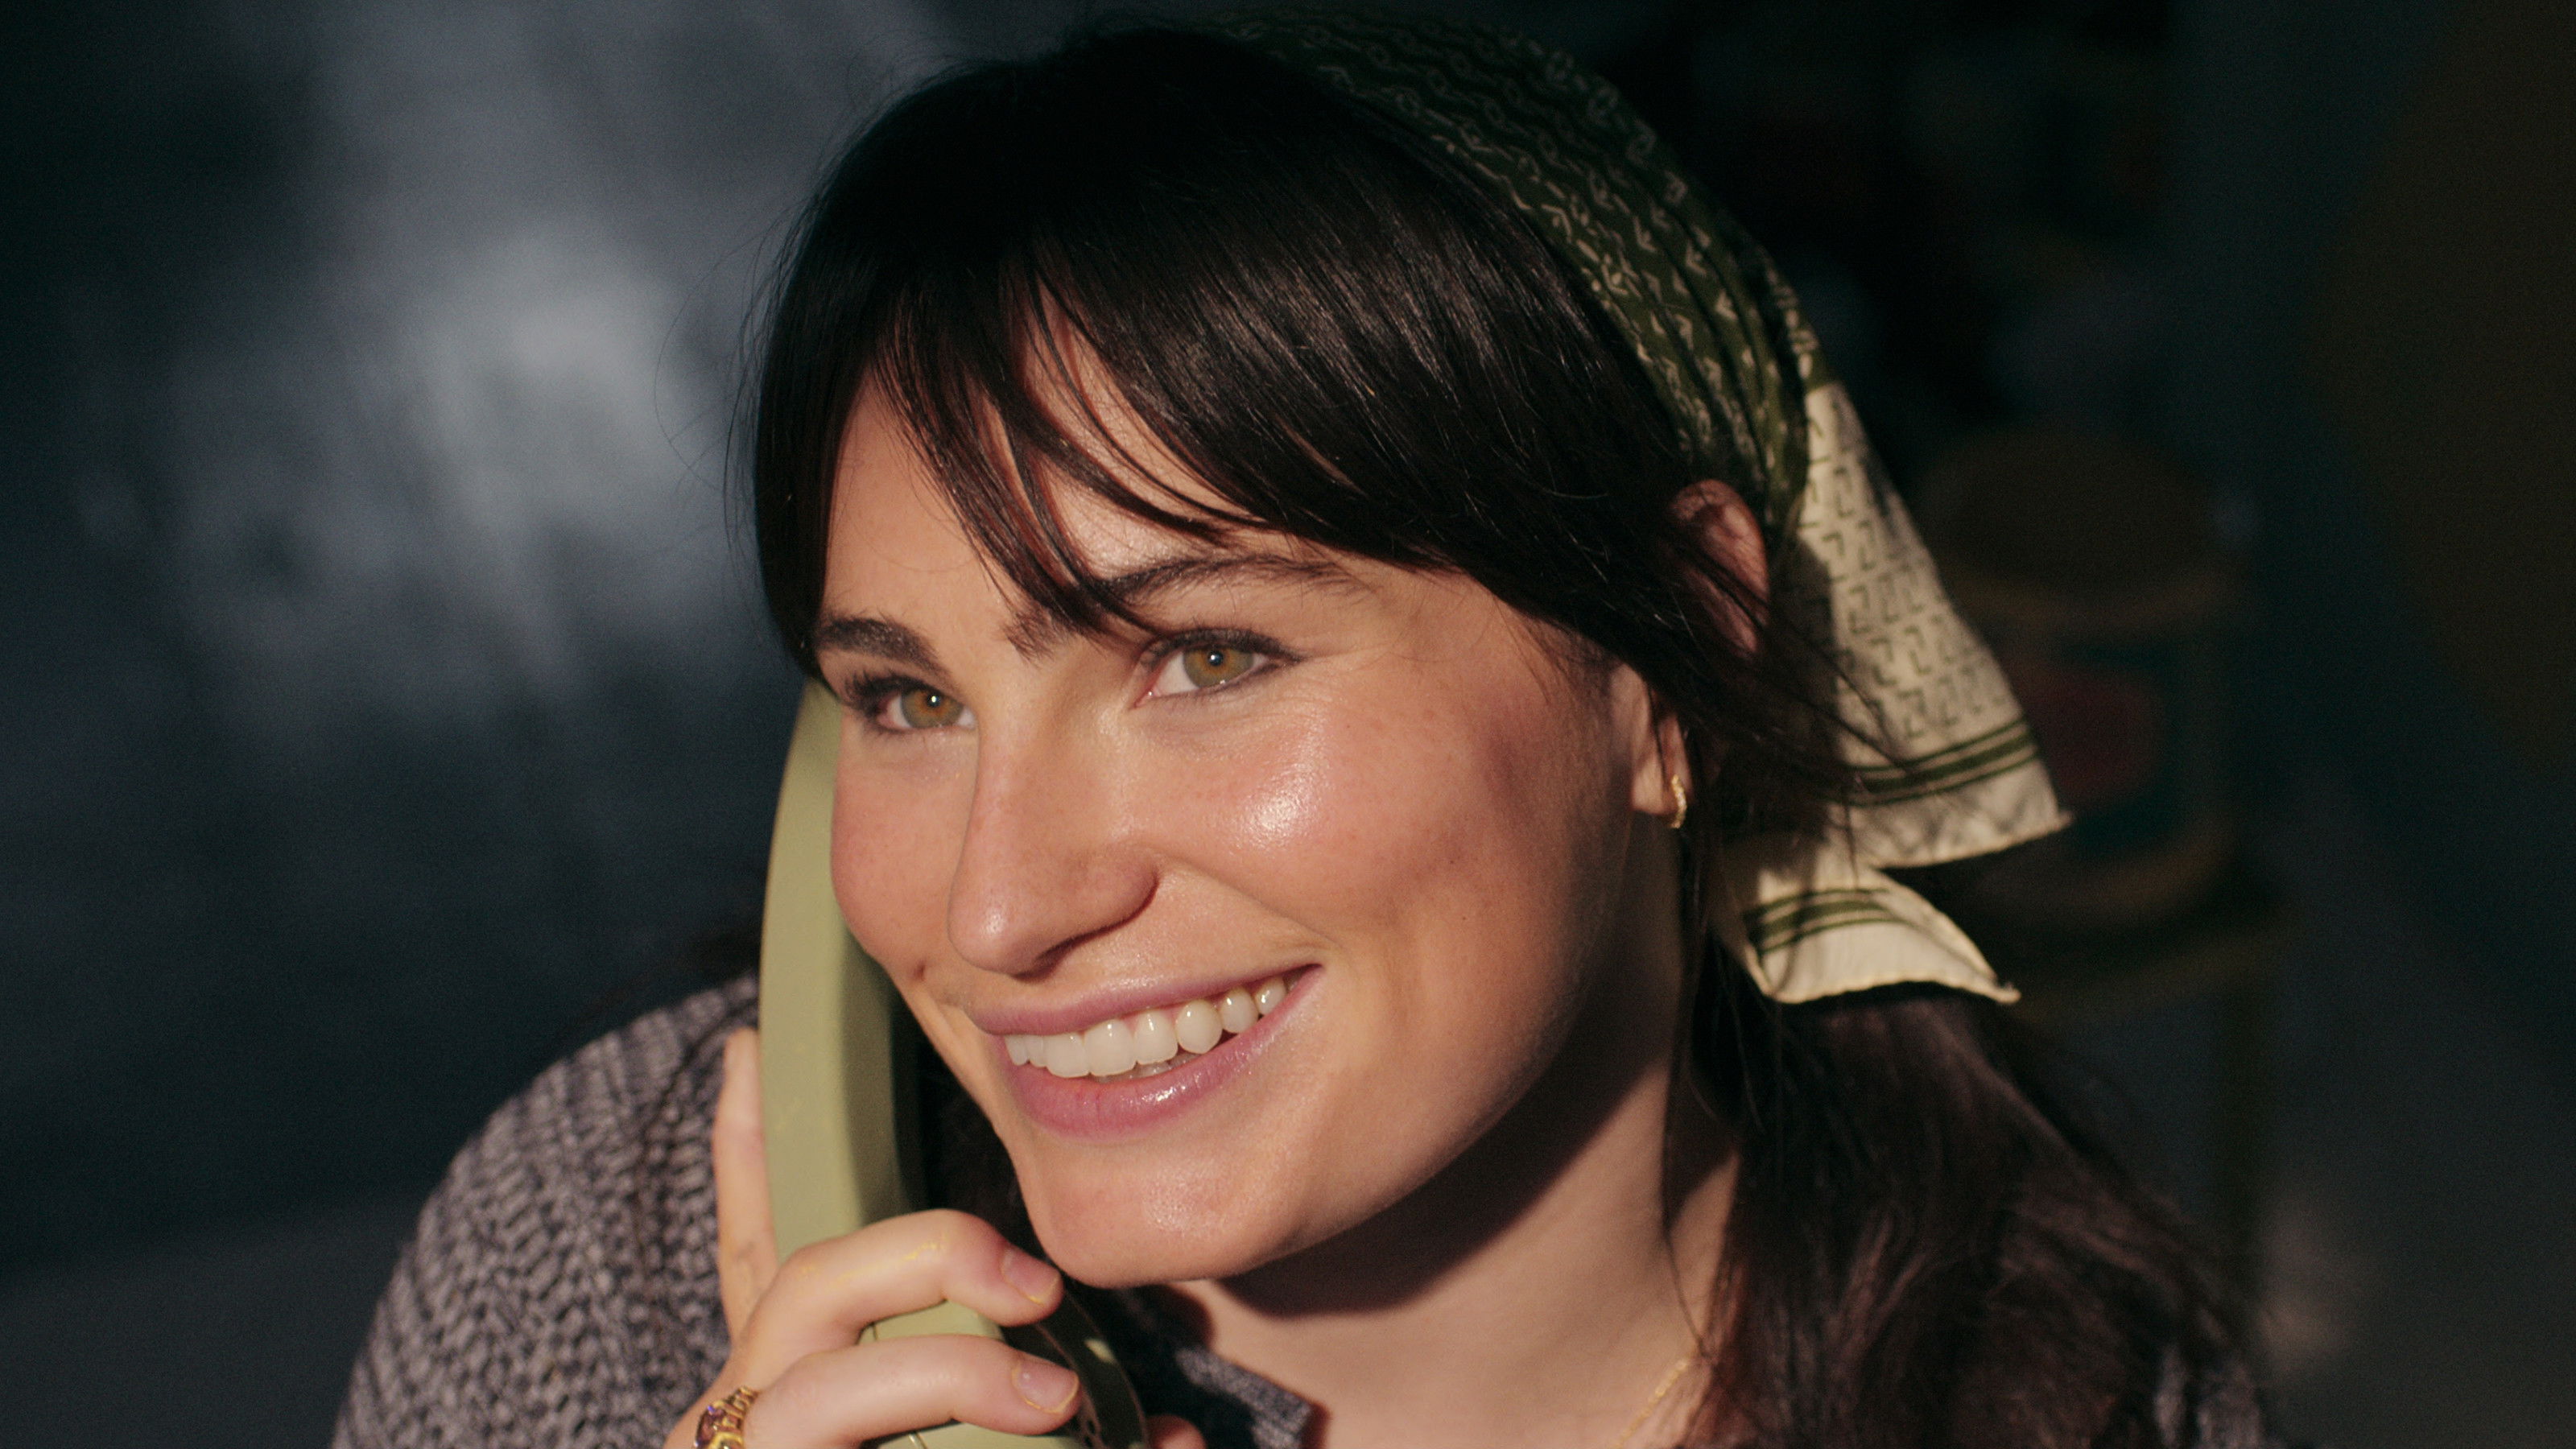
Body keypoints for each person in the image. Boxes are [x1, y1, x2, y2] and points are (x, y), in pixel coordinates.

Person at [333, 13, 2283, 1449]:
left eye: (1205, 659)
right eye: (909, 700)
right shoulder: (623, 1237)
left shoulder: (2091, 1406)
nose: (999, 909)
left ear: (1680, 647)